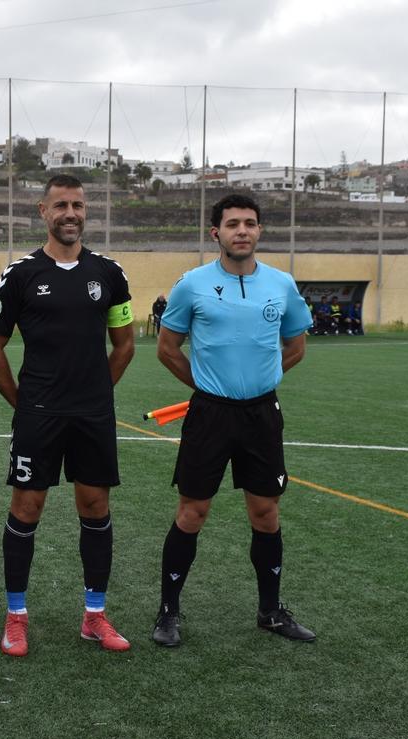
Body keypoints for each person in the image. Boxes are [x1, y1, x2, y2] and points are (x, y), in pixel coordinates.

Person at [0, 174, 136, 657]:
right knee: (27, 509)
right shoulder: (21, 273)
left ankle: (94, 616)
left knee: (95, 508)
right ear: (42, 212)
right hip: (40, 415)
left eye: (78, 205)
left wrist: (94, 392)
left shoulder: (110, 273)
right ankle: (15, 618)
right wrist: (23, 402)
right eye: (61, 205)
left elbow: (124, 344)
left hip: (92, 415)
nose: (71, 213)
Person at [152, 193, 315, 647]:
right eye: (232, 224)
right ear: (215, 234)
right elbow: (168, 348)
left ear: (260, 231)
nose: (241, 231)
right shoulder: (192, 285)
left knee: (265, 513)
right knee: (192, 512)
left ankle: (270, 611)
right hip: (209, 414)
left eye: (249, 223)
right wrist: (205, 386)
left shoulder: (281, 285)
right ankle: (168, 611)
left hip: (262, 414)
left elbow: (297, 346)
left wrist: (261, 381)